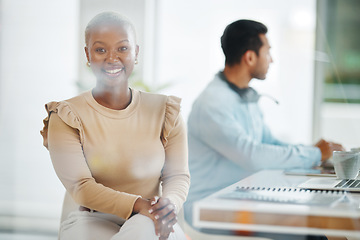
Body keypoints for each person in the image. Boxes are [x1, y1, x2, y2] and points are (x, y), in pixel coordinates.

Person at [183, 19, 344, 239]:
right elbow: (254, 156)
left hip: (244, 195)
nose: (272, 59)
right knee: (312, 227)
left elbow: (269, 143)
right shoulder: (212, 104)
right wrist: (314, 153)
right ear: (250, 57)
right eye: (268, 52)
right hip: (212, 204)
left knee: (324, 220)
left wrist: (316, 157)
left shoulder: (243, 97)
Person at [40, 12, 190, 240]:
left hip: (150, 216)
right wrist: (140, 205)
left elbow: (177, 175)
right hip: (91, 220)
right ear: (87, 54)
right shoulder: (66, 116)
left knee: (143, 227)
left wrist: (168, 205)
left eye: (122, 48)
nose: (112, 58)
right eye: (100, 50)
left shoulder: (165, 111)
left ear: (136, 53)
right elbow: (82, 187)